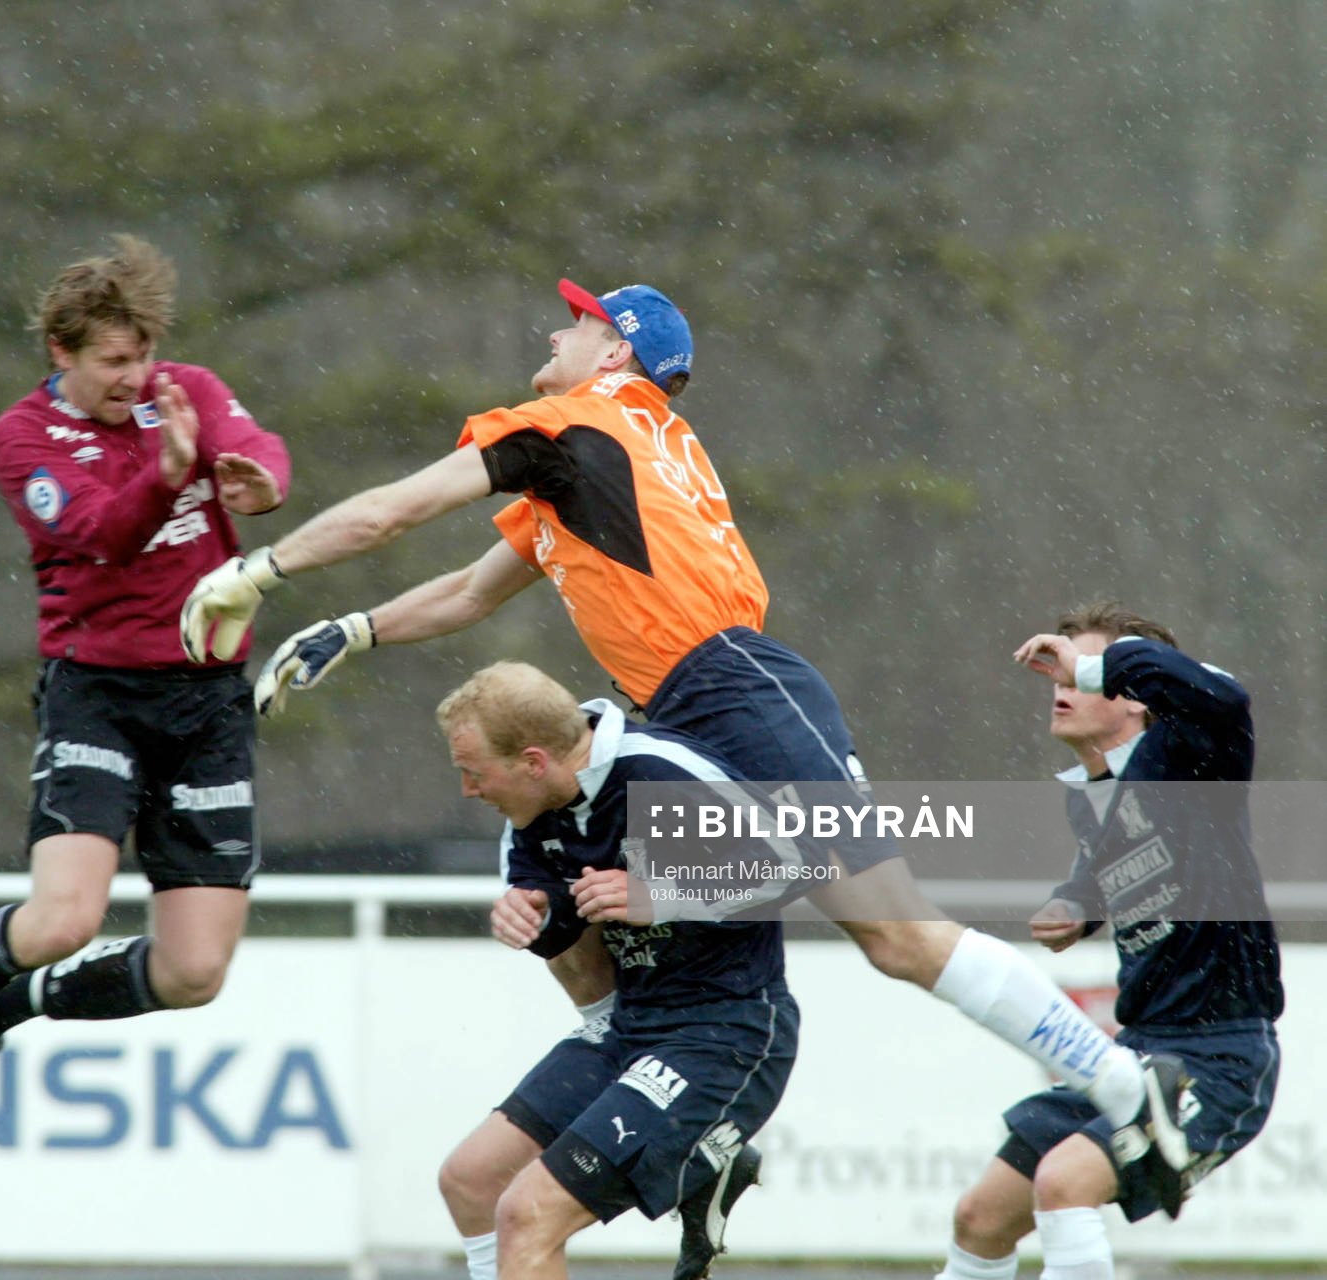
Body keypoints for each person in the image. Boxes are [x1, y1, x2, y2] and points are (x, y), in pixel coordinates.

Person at [177, 277, 1193, 1208]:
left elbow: (398, 511)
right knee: (679, 918)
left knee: (894, 932)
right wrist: (353, 629)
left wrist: (259, 569)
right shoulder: (606, 453)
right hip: (697, 699)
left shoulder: (573, 427)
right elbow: (465, 589)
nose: (552, 331)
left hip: (735, 689)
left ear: (614, 354)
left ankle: (1114, 1077)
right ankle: (700, 1133)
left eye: (575, 323)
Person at [0, 235, 291, 1151]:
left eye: (143, 356)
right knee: (64, 917)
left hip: (208, 703)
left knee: (196, 970)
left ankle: (3, 1013)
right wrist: (168, 478)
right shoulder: (23, 438)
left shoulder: (187, 391)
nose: (135, 378)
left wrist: (259, 480)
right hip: (101, 693)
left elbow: (257, 448)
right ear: (62, 352)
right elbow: (99, 534)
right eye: (113, 362)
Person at [936, 604, 1282, 1280]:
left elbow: (1227, 694)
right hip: (1130, 1056)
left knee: (1063, 1185)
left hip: (1218, 1055)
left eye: (1081, 674)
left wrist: (1097, 661)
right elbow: (1131, 854)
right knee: (981, 1217)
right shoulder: (1091, 793)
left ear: (1136, 700)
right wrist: (1081, 902)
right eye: (1058, 672)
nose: (1061, 684)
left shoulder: (1193, 750)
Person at [432, 662, 794, 1280]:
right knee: (469, 1180)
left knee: (527, 1214)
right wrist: (530, 918)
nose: (468, 790)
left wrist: (663, 892)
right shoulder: (532, 815)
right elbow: (559, 920)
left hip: (723, 1031)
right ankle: (704, 1166)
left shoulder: (660, 773)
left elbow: (798, 868)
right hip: (627, 1028)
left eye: (473, 772)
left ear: (534, 760)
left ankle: (700, 1154)